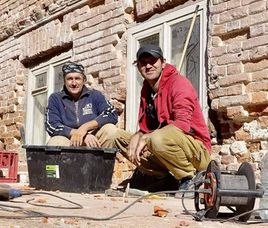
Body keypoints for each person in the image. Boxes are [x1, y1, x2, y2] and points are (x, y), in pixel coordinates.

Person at [113, 44, 212, 192]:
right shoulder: (148, 90)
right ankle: (165, 179)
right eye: (143, 62)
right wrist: (138, 135)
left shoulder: (178, 83)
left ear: (163, 62)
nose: (148, 66)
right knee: (119, 138)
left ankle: (189, 178)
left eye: (153, 61)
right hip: (168, 146)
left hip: (197, 151)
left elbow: (182, 124)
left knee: (155, 139)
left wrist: (146, 138)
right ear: (138, 67)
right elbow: (149, 128)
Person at [45, 61, 119, 147]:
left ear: (84, 80)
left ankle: (103, 160)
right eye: (69, 79)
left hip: (93, 139)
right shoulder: (56, 98)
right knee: (55, 142)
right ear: (64, 81)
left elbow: (112, 114)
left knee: (110, 130)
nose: (74, 83)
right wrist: (77, 133)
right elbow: (52, 125)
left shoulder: (95, 95)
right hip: (69, 140)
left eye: (77, 78)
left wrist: (84, 128)